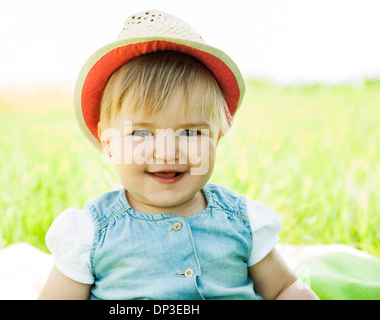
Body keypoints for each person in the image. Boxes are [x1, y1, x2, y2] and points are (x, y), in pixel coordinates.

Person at [38, 9, 318, 300]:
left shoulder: (240, 222)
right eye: (141, 133)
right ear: (109, 144)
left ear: (216, 140)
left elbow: (284, 288)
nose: (167, 152)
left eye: (190, 132)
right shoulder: (91, 234)